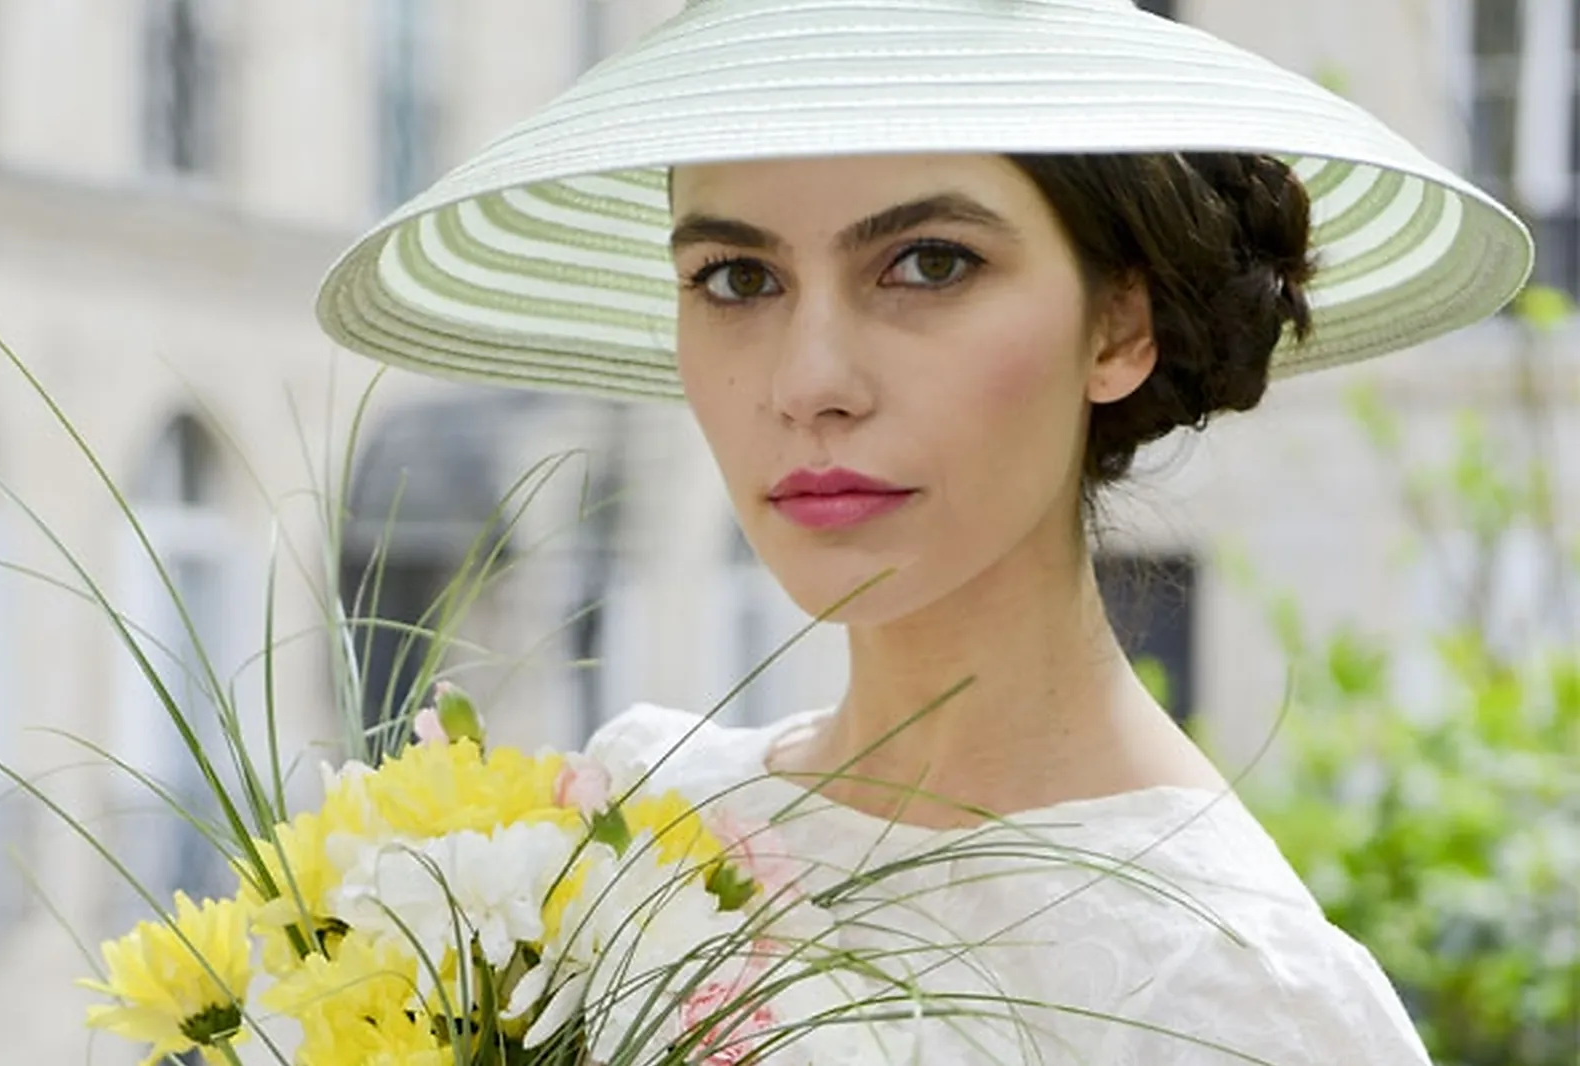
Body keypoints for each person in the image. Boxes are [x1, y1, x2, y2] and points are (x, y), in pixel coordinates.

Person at [315, 1, 1533, 1061]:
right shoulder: (634, 827)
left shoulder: (1236, 999)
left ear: (1120, 323)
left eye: (929, 263)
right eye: (738, 278)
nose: (810, 382)